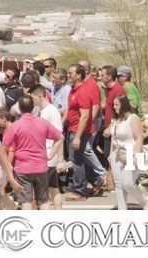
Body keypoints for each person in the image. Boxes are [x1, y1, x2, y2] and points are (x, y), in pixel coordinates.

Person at [3, 95, 63, 210]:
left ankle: (30, 226)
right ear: (33, 106)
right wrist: (50, 155)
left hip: (22, 169)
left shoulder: (15, 126)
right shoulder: (43, 123)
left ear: (20, 109)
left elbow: (4, 148)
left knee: (26, 202)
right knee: (44, 200)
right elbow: (60, 137)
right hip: (41, 167)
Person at [65, 63, 105, 201]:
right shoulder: (73, 90)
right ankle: (96, 180)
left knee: (77, 161)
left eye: (71, 73)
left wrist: (77, 137)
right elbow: (70, 110)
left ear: (78, 75)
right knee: (77, 159)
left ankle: (80, 192)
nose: (68, 75)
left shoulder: (83, 91)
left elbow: (86, 116)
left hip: (79, 131)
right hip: (73, 128)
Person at [105, 94, 148, 210]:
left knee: (127, 182)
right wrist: (111, 153)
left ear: (124, 105)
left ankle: (144, 201)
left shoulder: (132, 118)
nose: (115, 107)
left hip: (131, 152)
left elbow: (140, 137)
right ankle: (122, 210)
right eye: (114, 105)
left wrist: (136, 155)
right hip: (117, 152)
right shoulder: (115, 119)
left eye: (117, 105)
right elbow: (113, 137)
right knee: (119, 184)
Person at [30, 86, 66, 209]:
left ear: (40, 96)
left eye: (33, 97)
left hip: (49, 156)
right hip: (48, 156)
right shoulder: (43, 111)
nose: (32, 100)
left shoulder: (51, 110)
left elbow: (59, 135)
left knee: (43, 193)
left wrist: (60, 160)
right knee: (53, 189)